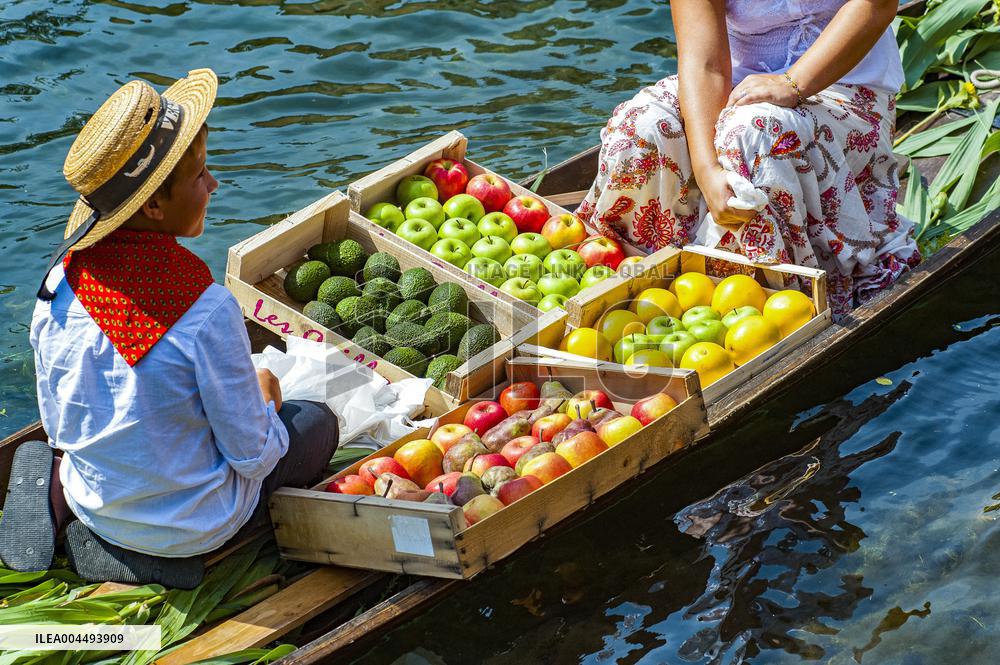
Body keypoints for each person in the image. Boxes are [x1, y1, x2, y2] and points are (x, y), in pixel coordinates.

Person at [0, 69, 339, 588]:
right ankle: (163, 552)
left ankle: (66, 500)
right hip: (197, 525)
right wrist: (267, 397)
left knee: (71, 451)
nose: (213, 184)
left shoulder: (57, 284)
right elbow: (251, 456)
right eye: (200, 174)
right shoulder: (204, 310)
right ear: (154, 205)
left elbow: (59, 426)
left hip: (99, 500)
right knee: (316, 424)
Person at [577, 0, 921, 319]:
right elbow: (705, 63)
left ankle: (775, 307)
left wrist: (793, 83)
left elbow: (876, 5)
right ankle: (642, 284)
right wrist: (707, 168)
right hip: (740, 81)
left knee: (754, 133)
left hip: (847, 86)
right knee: (642, 126)